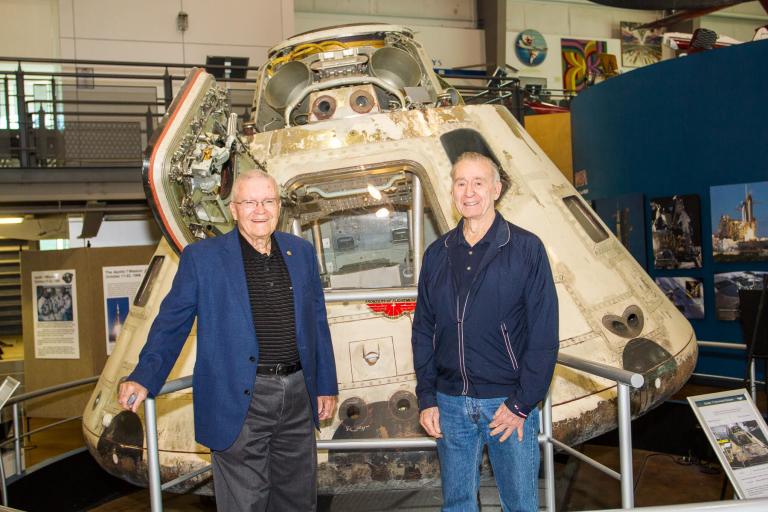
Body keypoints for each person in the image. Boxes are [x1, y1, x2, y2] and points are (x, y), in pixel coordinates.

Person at [118, 169, 338, 511]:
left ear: (279, 206)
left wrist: (325, 384)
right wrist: (144, 377)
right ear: (233, 209)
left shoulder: (301, 252)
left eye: (268, 201)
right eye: (249, 202)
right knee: (245, 502)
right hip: (241, 398)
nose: (260, 210)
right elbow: (171, 324)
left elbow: (317, 323)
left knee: (297, 500)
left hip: (297, 394)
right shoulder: (202, 258)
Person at [411, 152, 559, 512]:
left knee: (520, 504)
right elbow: (423, 330)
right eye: (461, 183)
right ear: (452, 191)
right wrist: (428, 397)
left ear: (496, 189)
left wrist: (523, 402)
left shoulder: (526, 249)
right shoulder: (437, 253)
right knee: (457, 503)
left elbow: (544, 332)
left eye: (479, 182)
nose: (469, 191)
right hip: (450, 402)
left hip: (506, 405)